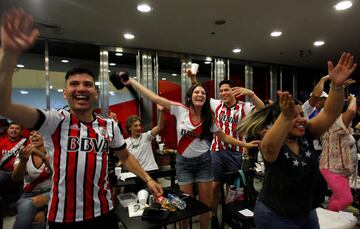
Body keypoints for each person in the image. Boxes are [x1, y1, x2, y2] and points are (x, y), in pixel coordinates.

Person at [0, 8, 163, 228]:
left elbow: (125, 157)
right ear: (65, 93)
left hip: (104, 211)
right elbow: (5, 105)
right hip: (63, 216)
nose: (81, 88)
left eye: (87, 84)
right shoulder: (54, 121)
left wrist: (148, 178)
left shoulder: (109, 125)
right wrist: (9, 55)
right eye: (74, 84)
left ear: (95, 93)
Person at [119, 75, 260, 229]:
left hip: (204, 163)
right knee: (184, 205)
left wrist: (245, 144)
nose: (200, 95)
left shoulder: (209, 119)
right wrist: (131, 82)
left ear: (206, 99)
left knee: (205, 205)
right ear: (190, 96)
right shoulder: (180, 110)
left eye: (203, 93)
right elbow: (154, 97)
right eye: (196, 92)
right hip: (184, 163)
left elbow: (225, 137)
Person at [237, 52, 357, 229]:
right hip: (276, 216)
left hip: (306, 212)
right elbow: (269, 146)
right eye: (295, 116)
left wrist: (337, 87)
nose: (301, 119)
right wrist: (286, 117)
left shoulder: (306, 133)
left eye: (301, 114)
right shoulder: (272, 144)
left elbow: (330, 113)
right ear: (280, 120)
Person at [188, 72, 264, 226]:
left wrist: (251, 94)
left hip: (236, 152)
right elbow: (199, 94)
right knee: (215, 186)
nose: (223, 93)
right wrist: (193, 79)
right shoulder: (216, 104)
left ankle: (230, 215)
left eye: (226, 90)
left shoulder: (245, 107)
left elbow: (262, 109)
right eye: (221, 91)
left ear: (234, 91)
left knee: (232, 188)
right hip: (216, 149)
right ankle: (214, 216)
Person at [320, 94, 357, 212]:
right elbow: (351, 111)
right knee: (346, 199)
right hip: (331, 168)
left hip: (340, 169)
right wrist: (354, 99)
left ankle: (332, 218)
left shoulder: (339, 125)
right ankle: (332, 217)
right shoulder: (336, 123)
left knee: (338, 197)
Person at [12, 131, 52, 229]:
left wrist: (41, 155)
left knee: (28, 205)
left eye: (38, 133)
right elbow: (16, 178)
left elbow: (55, 171)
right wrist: (23, 161)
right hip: (28, 193)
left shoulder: (53, 151)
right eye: (31, 134)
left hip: (51, 192)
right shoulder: (22, 153)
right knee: (38, 218)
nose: (33, 135)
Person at [125, 105, 164, 172]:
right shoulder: (125, 142)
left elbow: (159, 127)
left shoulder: (146, 137)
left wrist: (161, 111)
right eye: (135, 126)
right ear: (129, 128)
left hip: (151, 170)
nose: (138, 128)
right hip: (137, 173)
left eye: (140, 125)